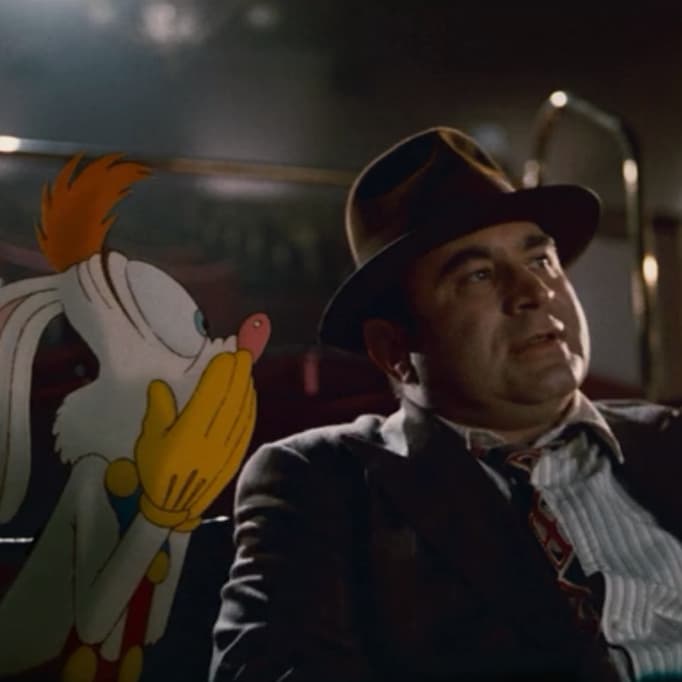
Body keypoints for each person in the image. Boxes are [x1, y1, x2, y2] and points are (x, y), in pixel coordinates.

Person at [209, 127, 682, 682]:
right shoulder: (324, 483)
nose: (534, 292)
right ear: (394, 350)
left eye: (541, 261)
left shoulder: (668, 439)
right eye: (478, 275)